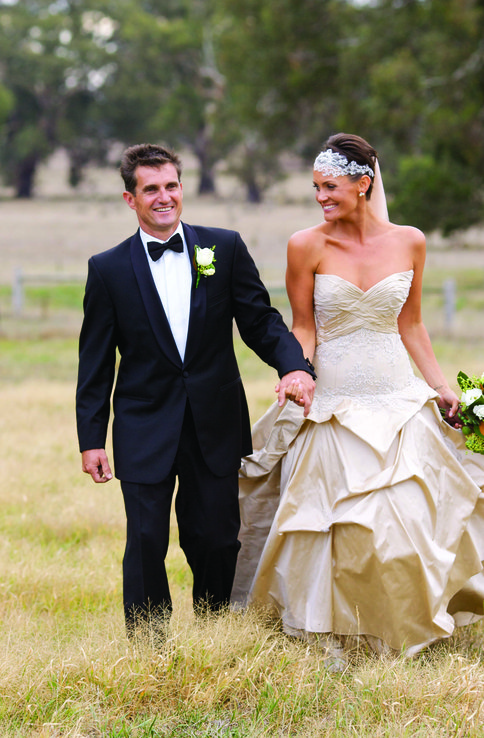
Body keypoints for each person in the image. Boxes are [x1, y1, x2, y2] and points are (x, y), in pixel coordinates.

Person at [231, 133, 484, 659]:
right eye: (316, 188)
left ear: (364, 184)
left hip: (396, 393)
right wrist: (294, 373)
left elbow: (411, 324)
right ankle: (338, 633)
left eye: (331, 186)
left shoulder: (410, 240)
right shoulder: (306, 245)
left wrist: (439, 387)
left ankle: (406, 627)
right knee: (338, 522)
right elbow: (304, 328)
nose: (321, 197)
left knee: (409, 514)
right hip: (336, 399)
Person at [76, 143, 316, 635]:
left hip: (215, 421)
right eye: (151, 190)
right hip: (144, 424)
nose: (163, 197)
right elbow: (95, 362)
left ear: (182, 188)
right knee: (144, 540)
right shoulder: (108, 268)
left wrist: (295, 366)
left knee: (217, 538)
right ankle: (150, 646)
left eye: (171, 186)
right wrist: (91, 438)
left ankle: (214, 632)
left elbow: (260, 321)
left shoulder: (221, 248)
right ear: (130, 199)